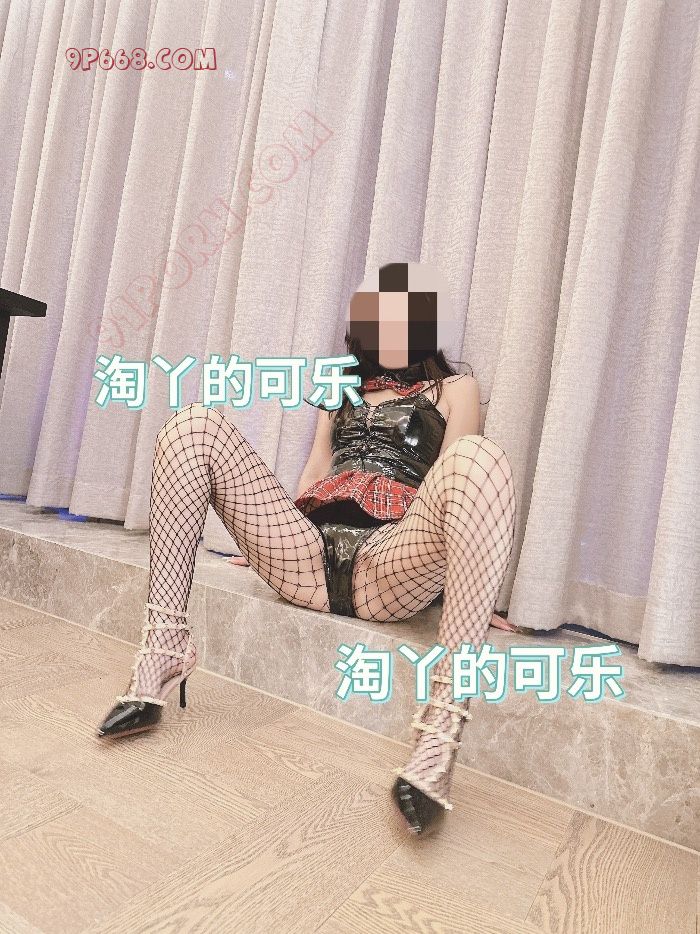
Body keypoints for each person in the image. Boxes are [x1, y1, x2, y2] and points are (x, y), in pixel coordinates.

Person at [96, 263, 517, 836]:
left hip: (390, 563)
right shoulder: (338, 384)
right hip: (310, 557)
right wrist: (266, 540)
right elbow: (316, 473)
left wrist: (470, 586)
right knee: (191, 426)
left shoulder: (455, 388)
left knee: (479, 459)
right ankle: (165, 645)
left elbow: (456, 488)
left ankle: (439, 732)